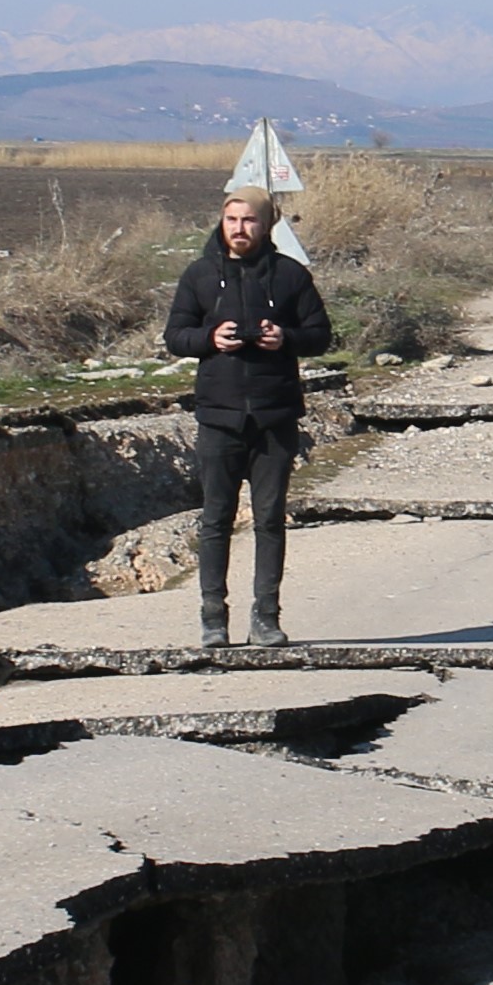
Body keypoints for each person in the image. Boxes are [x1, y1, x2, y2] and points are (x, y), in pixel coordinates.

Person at [162, 186, 331, 650]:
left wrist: (286, 337)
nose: (239, 229)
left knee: (270, 519)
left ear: (266, 224)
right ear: (222, 222)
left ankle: (267, 617)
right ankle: (213, 617)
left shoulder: (290, 276)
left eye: (249, 220)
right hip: (218, 417)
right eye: (232, 219)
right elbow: (175, 335)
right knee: (216, 518)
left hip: (275, 418)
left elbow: (320, 335)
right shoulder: (198, 275)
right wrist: (211, 339)